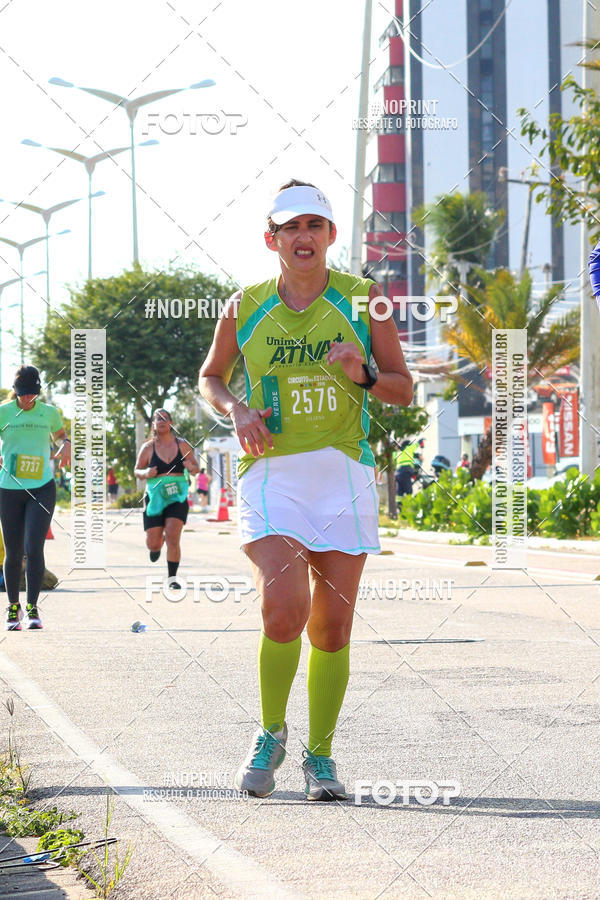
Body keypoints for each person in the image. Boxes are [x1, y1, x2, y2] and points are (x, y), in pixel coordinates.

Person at [199, 179, 413, 801]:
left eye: (313, 226)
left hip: (343, 474)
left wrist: (364, 374)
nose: (303, 237)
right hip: (274, 474)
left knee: (333, 630)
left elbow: (401, 388)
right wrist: (235, 409)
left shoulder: (364, 299)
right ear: (273, 238)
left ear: (330, 237)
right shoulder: (246, 306)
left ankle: (320, 757)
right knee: (283, 607)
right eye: (291, 227)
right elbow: (211, 377)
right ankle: (270, 732)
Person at [0, 365, 70, 630]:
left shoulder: (49, 413)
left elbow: (61, 435)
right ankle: (12, 608)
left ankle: (32, 609)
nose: (28, 399)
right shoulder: (3, 412)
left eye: (32, 393)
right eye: (23, 394)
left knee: (34, 547)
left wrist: (67, 445)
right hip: (8, 488)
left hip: (41, 487)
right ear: (15, 392)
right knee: (14, 550)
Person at [134, 409, 199, 589]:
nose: (161, 421)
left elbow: (196, 468)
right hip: (155, 497)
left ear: (171, 423)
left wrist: (190, 466)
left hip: (177, 496)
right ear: (154, 425)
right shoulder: (148, 448)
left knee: (173, 536)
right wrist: (146, 472)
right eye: (157, 419)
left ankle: (172, 579)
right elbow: (136, 470)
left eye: (164, 418)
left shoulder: (182, 445)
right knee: (152, 543)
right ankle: (156, 545)